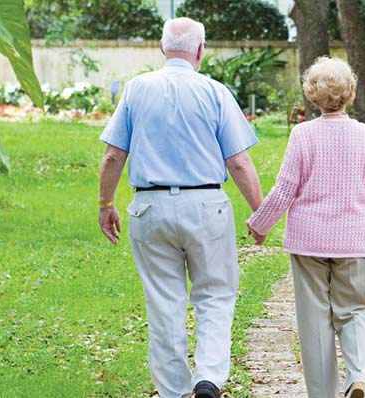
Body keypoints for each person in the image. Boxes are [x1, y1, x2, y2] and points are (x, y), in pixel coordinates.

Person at [96, 17, 264, 398]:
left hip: (149, 207)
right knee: (216, 294)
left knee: (164, 301)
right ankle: (208, 378)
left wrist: (106, 203)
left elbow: (112, 156)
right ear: (200, 51)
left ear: (161, 48)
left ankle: (173, 391)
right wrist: (260, 212)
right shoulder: (215, 92)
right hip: (206, 204)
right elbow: (238, 162)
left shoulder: (136, 90)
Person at [247, 57, 365, 398]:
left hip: (308, 240)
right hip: (353, 240)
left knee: (314, 320)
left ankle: (323, 394)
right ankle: (357, 375)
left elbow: (285, 188)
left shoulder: (303, 134)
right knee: (354, 308)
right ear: (350, 93)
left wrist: (260, 224)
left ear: (312, 95)